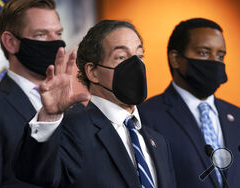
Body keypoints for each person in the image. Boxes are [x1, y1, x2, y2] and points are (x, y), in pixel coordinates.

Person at [13, 20, 177, 188]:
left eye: (139, 56)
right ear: (92, 72)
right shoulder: (71, 130)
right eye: (121, 57)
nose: (135, 65)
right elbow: (36, 175)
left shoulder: (158, 141)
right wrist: (49, 116)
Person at [0, 0, 86, 187]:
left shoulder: (77, 110)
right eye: (41, 34)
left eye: (58, 33)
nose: (56, 43)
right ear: (10, 42)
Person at [138, 18, 240, 188]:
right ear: (176, 59)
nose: (215, 61)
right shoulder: (146, 116)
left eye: (220, 55)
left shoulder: (236, 116)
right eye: (203, 53)